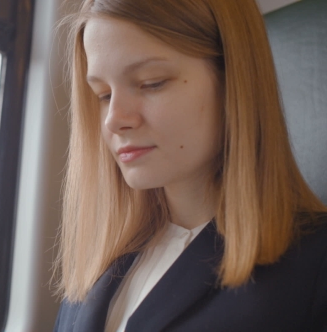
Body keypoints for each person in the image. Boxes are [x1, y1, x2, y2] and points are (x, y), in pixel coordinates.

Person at [52, 0, 327, 331]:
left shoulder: (313, 266)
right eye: (103, 95)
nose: (115, 120)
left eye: (151, 82)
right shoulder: (98, 268)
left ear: (234, 81)